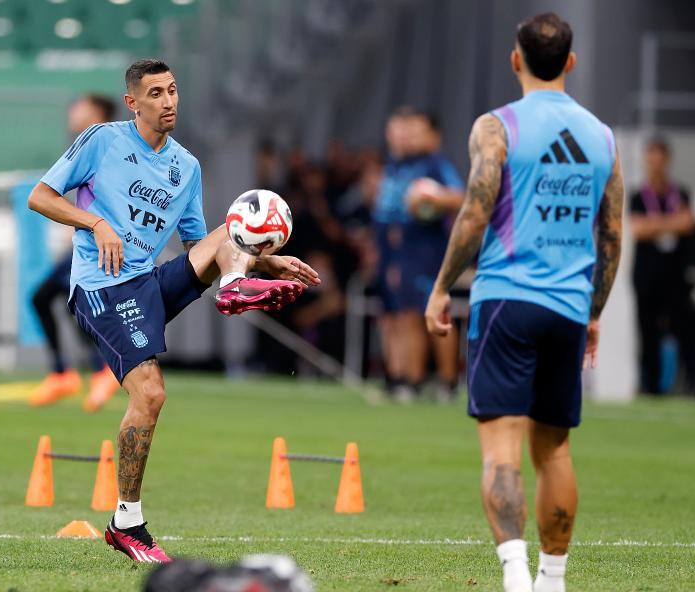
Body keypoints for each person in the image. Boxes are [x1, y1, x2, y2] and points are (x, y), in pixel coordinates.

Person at [27, 59, 319, 563]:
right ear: (133, 102)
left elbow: (199, 243)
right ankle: (127, 522)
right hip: (102, 286)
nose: (168, 102)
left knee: (230, 228)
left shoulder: (187, 166)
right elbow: (41, 196)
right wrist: (95, 223)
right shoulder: (103, 140)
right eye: (156, 93)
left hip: (146, 283)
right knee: (151, 392)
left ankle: (235, 285)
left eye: (173, 90)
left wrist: (269, 261)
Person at [425, 12, 623, 592]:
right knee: (554, 451)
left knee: (501, 450)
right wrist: (593, 311)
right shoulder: (602, 137)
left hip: (507, 300)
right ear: (570, 62)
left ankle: (515, 579)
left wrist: (442, 287)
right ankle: (553, 588)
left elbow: (475, 211)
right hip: (568, 308)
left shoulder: (497, 127)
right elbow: (612, 233)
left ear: (516, 60)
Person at [28, 94, 123, 412]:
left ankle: (93, 370)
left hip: (101, 242)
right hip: (89, 239)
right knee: (52, 299)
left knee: (59, 299)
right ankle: (75, 373)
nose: (72, 112)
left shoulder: (105, 144)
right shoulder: (91, 145)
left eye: (80, 107)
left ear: (96, 113)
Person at [374, 107, 464, 401]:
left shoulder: (435, 164)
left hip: (427, 250)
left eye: (416, 131)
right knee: (401, 315)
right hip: (399, 251)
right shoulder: (398, 164)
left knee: (430, 312)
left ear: (433, 135)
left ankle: (447, 382)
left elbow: (461, 197)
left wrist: (433, 198)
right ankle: (405, 379)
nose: (410, 137)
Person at [628, 137, 695, 394]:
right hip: (647, 275)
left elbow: (688, 224)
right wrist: (671, 223)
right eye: (651, 158)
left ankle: (690, 383)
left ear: (667, 160)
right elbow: (639, 229)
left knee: (683, 329)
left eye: (659, 158)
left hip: (676, 275)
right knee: (648, 332)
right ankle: (650, 385)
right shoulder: (638, 196)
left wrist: (655, 224)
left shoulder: (681, 194)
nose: (655, 164)